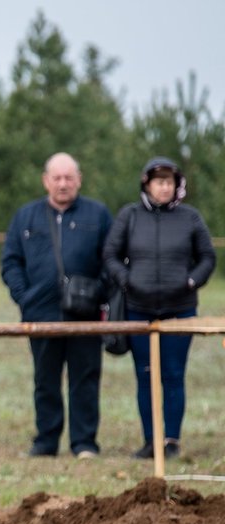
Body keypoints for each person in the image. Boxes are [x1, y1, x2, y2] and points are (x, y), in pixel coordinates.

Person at [102, 157, 216, 459]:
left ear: (177, 186)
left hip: (180, 310)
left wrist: (191, 281)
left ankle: (171, 440)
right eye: (159, 182)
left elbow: (207, 258)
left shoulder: (190, 218)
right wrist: (127, 281)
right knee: (145, 374)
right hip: (139, 309)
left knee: (174, 374)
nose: (164, 188)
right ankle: (151, 440)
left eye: (169, 182)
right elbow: (110, 254)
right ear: (147, 184)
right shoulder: (130, 216)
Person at [1, 152, 113, 459]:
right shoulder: (26, 216)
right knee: (45, 380)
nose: (63, 184)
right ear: (45, 180)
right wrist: (26, 297)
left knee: (85, 379)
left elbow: (111, 259)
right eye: (57, 178)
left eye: (69, 178)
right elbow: (11, 262)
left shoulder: (98, 214)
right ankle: (46, 442)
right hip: (41, 314)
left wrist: (98, 291)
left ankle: (84, 443)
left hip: (85, 315)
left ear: (79, 179)